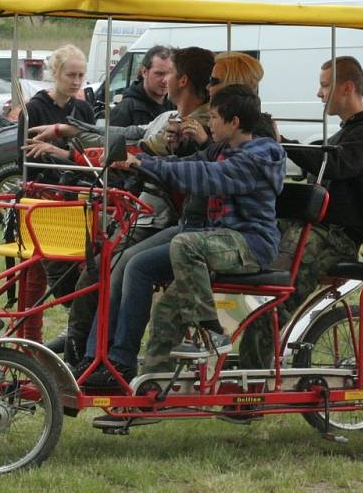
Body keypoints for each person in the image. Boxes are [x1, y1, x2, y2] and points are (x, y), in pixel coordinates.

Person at [76, 53, 275, 387]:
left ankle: (208, 332)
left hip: (237, 240)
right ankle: (105, 360)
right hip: (202, 231)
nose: (206, 88)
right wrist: (146, 160)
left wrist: (150, 163)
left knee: (178, 246)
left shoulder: (259, 150)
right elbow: (190, 163)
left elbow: (207, 175)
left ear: (234, 112)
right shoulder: (221, 141)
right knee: (127, 261)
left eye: (214, 82)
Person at [25, 47, 216, 362]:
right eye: (70, 75)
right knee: (95, 265)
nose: (164, 81)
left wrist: (72, 152)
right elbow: (128, 138)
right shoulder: (172, 118)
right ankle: (84, 349)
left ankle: (104, 357)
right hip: (143, 213)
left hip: (162, 218)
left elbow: (139, 154)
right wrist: (68, 132)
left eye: (169, 74)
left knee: (113, 265)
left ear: (181, 79)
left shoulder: (194, 127)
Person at [240, 55, 363, 369]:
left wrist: (281, 143)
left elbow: (333, 163)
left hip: (332, 237)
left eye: (324, 86)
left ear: (346, 87)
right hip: (313, 228)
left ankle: (250, 381)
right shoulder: (348, 133)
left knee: (274, 295)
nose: (319, 94)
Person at [17, 44, 96, 343]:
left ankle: (78, 335)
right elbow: (23, 157)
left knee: (77, 271)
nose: (76, 81)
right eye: (70, 74)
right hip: (43, 198)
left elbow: (91, 154)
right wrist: (64, 155)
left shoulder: (84, 109)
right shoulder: (35, 108)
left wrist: (61, 153)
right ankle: (30, 344)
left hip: (77, 198)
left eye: (81, 75)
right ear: (56, 73)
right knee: (33, 278)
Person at [110, 45, 174, 127]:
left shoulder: (177, 106)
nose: (165, 80)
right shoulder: (124, 110)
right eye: (159, 74)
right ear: (144, 72)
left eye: (170, 74)